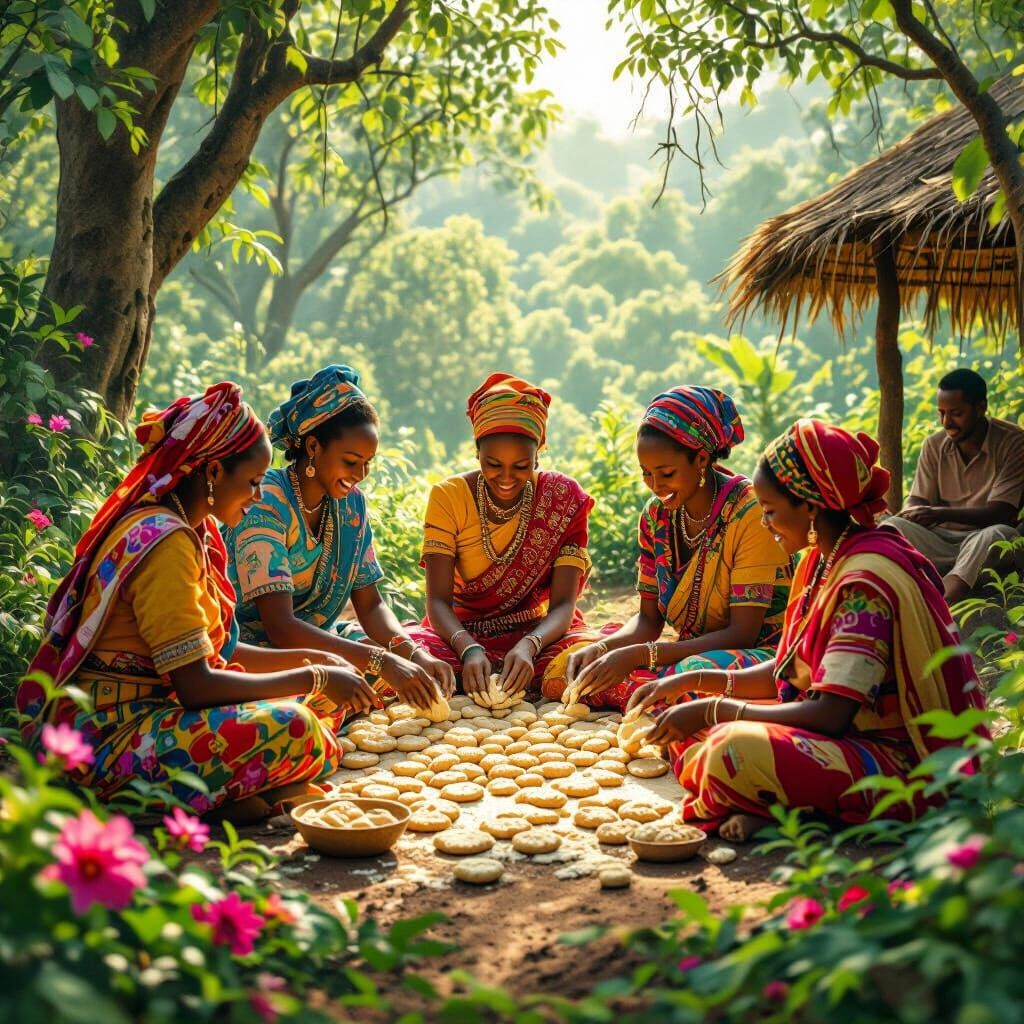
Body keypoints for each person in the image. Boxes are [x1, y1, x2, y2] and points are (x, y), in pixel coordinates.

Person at [17, 382, 381, 820]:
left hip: (165, 708)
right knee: (300, 731)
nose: (258, 495)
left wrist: (322, 665)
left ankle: (231, 795)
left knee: (327, 700)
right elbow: (195, 686)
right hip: (109, 737)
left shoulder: (192, 530)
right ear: (212, 474)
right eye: (250, 482)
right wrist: (314, 676)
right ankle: (153, 800)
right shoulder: (165, 543)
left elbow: (222, 652)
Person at [630, 419, 986, 842]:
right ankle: (773, 805)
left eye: (770, 510)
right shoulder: (820, 562)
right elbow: (784, 674)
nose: (764, 523)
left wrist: (715, 711)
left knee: (729, 752)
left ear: (811, 507)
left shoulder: (864, 585)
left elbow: (831, 715)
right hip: (833, 736)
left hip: (897, 761)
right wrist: (693, 681)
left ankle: (809, 817)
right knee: (685, 700)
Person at [548, 386, 791, 711]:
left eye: (666, 473)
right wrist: (604, 649)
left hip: (760, 656)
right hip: (689, 649)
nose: (656, 485)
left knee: (685, 677)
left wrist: (640, 654)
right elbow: (649, 620)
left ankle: (665, 697)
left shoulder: (749, 514)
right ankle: (649, 692)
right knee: (571, 662)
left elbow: (743, 634)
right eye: (647, 474)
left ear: (701, 458)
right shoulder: (655, 516)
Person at [224, 365, 454, 704]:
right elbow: (281, 628)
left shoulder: (351, 507)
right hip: (263, 653)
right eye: (350, 462)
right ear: (314, 446)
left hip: (320, 639)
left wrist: (412, 654)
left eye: (368, 463)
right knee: (341, 685)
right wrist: (383, 662)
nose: (360, 475)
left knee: (392, 659)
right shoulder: (266, 505)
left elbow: (371, 603)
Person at [406, 372, 595, 697]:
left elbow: (564, 605)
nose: (506, 478)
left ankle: (514, 671)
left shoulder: (562, 498)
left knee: (585, 664)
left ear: (538, 455)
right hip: (458, 636)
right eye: (493, 464)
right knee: (408, 664)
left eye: (522, 466)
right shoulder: (448, 497)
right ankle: (476, 671)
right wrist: (468, 649)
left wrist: (529, 645)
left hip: (536, 634)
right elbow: (437, 601)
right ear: (476, 452)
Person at [888, 368, 1024, 605]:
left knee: (998, 535)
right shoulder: (933, 445)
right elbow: (918, 500)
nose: (946, 422)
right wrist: (912, 513)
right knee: (891, 525)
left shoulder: (1013, 442)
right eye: (941, 413)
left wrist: (937, 513)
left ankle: (944, 601)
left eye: (956, 413)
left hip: (985, 541)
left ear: (981, 408)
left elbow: (1002, 512)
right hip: (941, 542)